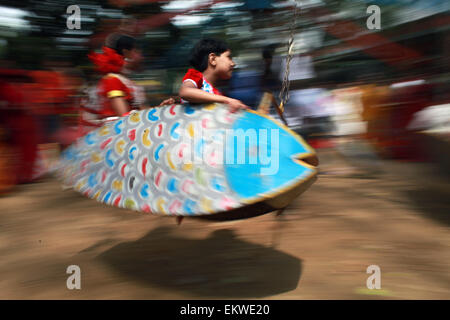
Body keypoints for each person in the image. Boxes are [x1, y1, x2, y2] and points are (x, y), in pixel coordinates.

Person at [88, 34, 173, 121]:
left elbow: (143, 113)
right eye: (137, 52)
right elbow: (124, 118)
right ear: (126, 53)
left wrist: (160, 109)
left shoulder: (125, 81)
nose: (142, 57)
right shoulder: (112, 80)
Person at [179, 38, 249, 113]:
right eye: (229, 57)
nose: (233, 64)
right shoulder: (195, 76)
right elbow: (185, 92)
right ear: (213, 59)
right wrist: (227, 100)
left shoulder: (216, 93)